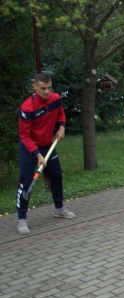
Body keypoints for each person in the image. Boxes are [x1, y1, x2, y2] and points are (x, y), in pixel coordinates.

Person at [16, 73, 76, 235]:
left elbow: (61, 114)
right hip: (30, 149)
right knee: (26, 183)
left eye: (49, 88)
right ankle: (22, 219)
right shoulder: (27, 108)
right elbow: (24, 136)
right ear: (34, 87)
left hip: (47, 145)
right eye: (43, 88)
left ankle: (59, 209)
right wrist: (37, 154)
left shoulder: (55, 99)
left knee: (56, 176)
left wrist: (62, 127)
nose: (47, 91)